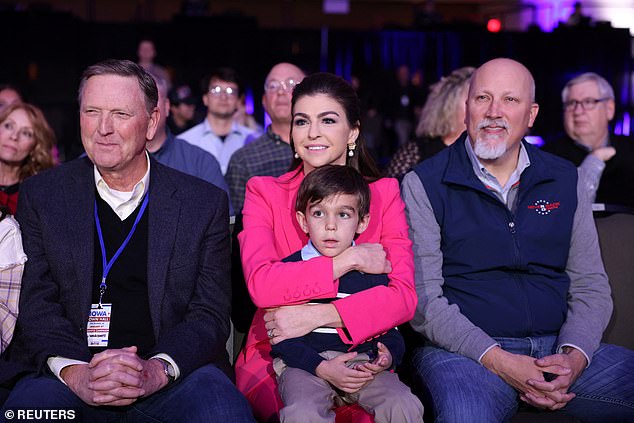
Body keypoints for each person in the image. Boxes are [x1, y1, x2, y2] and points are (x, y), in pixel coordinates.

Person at [0, 59, 255, 422]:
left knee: (224, 412)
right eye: (92, 111)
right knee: (27, 414)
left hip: (172, 378)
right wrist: (77, 372)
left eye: (120, 114)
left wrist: (156, 370)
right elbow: (36, 303)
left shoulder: (201, 204)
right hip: (67, 374)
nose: (104, 128)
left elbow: (209, 314)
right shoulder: (43, 195)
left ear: (151, 123)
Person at [402, 58, 634, 422]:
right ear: (466, 110)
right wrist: (499, 359)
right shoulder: (425, 183)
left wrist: (573, 358)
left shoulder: (563, 178)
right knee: (466, 415)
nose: (494, 112)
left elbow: (590, 285)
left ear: (532, 114)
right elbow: (424, 300)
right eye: (482, 98)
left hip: (558, 350)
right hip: (465, 354)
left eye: (510, 100)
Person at [235, 72, 417, 422]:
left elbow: (403, 298)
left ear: (352, 132)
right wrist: (348, 260)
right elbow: (262, 285)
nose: (312, 133)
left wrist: (318, 315)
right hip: (279, 350)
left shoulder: (383, 193)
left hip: (361, 350)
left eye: (327, 120)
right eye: (301, 121)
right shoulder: (265, 192)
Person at [271, 164, 423, 423]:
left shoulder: (373, 270)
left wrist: (387, 356)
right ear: (302, 220)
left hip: (362, 364)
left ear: (362, 221)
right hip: (305, 365)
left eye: (343, 215)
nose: (330, 226)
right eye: (319, 213)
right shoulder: (290, 271)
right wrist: (321, 367)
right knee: (302, 413)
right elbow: (281, 339)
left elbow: (390, 328)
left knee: (403, 404)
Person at [542, 72, 634, 208]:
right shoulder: (546, 158)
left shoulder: (631, 150)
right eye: (572, 103)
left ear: (609, 109)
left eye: (588, 102)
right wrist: (593, 161)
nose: (578, 111)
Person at [146, 74, 233, 215]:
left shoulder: (201, 162)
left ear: (167, 107)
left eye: (151, 99)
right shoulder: (113, 162)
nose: (144, 108)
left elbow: (223, 220)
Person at [225, 62, 305, 214]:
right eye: (273, 86)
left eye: (290, 83)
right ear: (264, 100)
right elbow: (236, 226)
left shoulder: (324, 147)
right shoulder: (244, 160)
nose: (281, 91)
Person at [386, 66, 474, 181]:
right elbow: (391, 192)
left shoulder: (485, 154)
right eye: (473, 100)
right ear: (449, 106)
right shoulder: (415, 152)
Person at [179, 67, 256, 174]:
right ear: (205, 98)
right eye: (216, 90)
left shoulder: (252, 140)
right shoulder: (185, 142)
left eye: (231, 91)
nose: (223, 97)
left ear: (239, 100)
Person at [0, 102, 56, 214]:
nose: (14, 136)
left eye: (26, 133)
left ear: (35, 146)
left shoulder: (41, 194)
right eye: (8, 126)